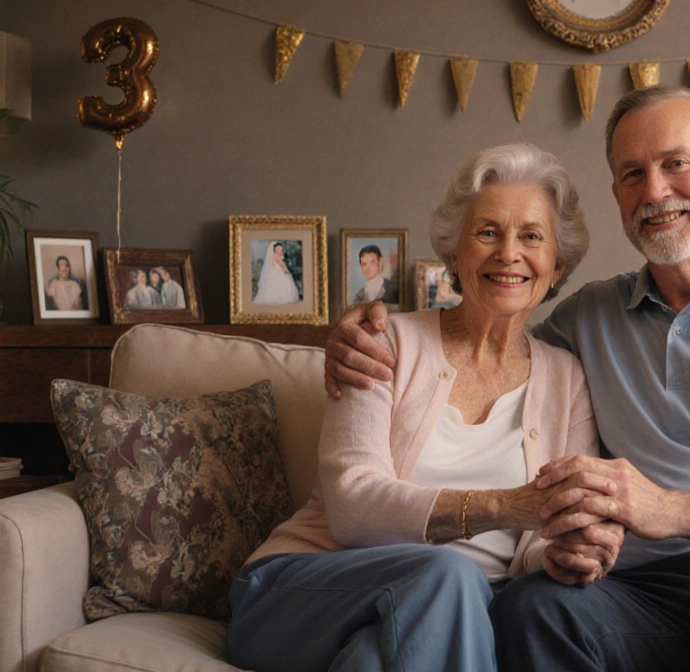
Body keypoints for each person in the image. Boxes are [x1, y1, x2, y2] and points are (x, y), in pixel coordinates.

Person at [326, 86, 690, 671]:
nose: (654, 191)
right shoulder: (585, 320)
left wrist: (671, 510)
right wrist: (358, 334)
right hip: (635, 594)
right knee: (533, 608)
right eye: (632, 173)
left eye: (676, 164)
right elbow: (490, 344)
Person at [225, 144, 618, 672]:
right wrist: (506, 505)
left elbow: (539, 540)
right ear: (454, 254)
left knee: (371, 662)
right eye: (487, 232)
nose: (508, 252)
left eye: (531, 236)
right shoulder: (382, 341)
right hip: (304, 590)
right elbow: (353, 507)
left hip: (449, 614)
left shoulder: (567, 377)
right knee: (449, 574)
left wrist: (567, 551)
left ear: (557, 263)